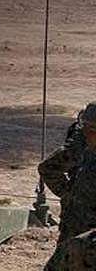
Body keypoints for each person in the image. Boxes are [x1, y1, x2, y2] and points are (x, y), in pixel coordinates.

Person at [39, 102, 96, 271]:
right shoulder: (86, 149)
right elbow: (48, 168)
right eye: (84, 128)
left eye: (91, 130)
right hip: (75, 230)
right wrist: (70, 195)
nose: (86, 135)